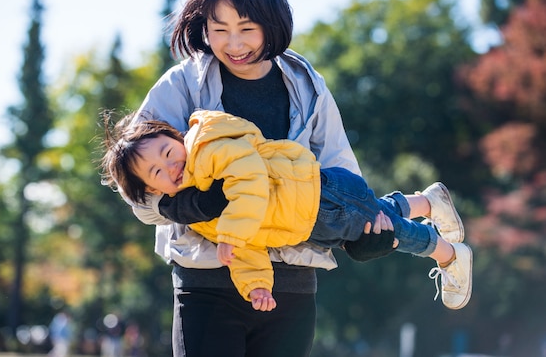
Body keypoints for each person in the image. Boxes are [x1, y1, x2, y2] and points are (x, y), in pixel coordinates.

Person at [111, 0, 456, 356]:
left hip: (293, 283)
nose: (234, 44)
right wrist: (187, 205)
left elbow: (339, 171)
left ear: (272, 23)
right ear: (203, 27)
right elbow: (134, 183)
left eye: (247, 28)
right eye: (219, 29)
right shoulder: (182, 85)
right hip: (205, 282)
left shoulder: (307, 86)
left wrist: (359, 238)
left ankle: (432, 221)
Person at [101, 109, 473, 312]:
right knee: (378, 212)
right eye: (157, 173)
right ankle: (428, 201)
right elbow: (246, 246)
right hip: (311, 223)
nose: (171, 167)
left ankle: (449, 253)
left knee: (388, 231)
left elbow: (250, 183)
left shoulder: (209, 149)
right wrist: (257, 284)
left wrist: (231, 233)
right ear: (152, 191)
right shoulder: (198, 212)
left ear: (177, 137)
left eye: (168, 152)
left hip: (320, 195)